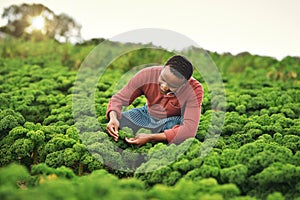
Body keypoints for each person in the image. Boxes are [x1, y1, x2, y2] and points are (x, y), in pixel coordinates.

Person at [106, 55, 204, 146]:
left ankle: (159, 136)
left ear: (184, 84)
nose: (164, 87)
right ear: (163, 68)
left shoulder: (194, 89)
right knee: (119, 121)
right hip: (147, 114)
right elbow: (119, 99)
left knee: (181, 134)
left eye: (172, 86)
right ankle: (157, 134)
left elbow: (189, 129)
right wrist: (113, 118)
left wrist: (150, 138)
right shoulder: (146, 75)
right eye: (163, 79)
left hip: (171, 121)